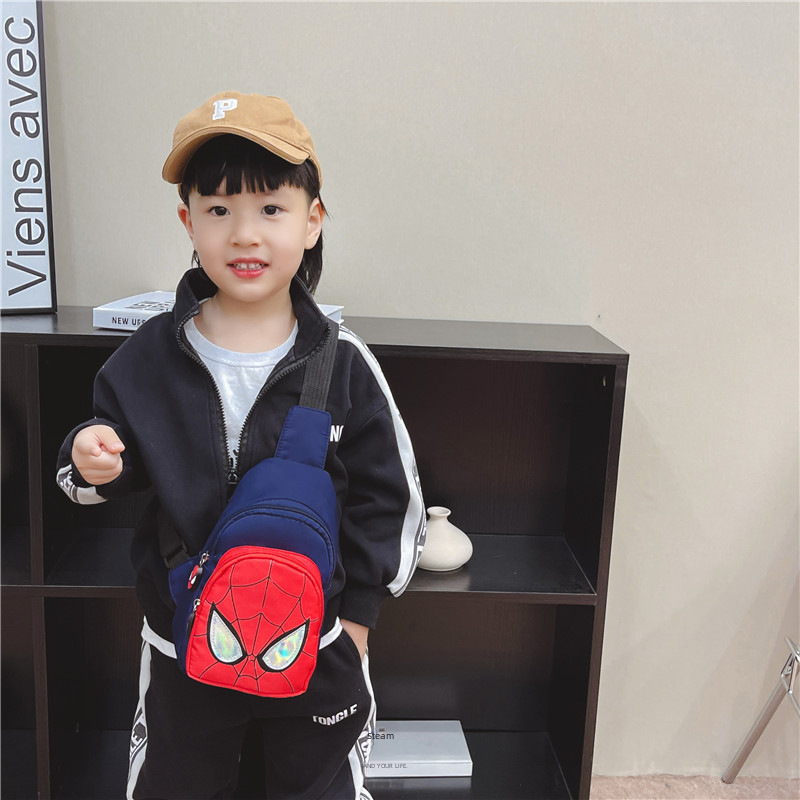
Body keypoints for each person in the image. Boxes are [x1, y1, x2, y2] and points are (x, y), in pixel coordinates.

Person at [56, 90, 426, 800]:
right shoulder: (149, 357)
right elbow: (97, 469)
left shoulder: (342, 362)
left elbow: (390, 499)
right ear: (188, 221)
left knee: (319, 787)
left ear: (312, 222)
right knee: (173, 784)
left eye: (271, 209)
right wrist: (88, 457)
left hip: (316, 643)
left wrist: (356, 623)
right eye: (219, 210)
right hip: (181, 642)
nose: (245, 234)